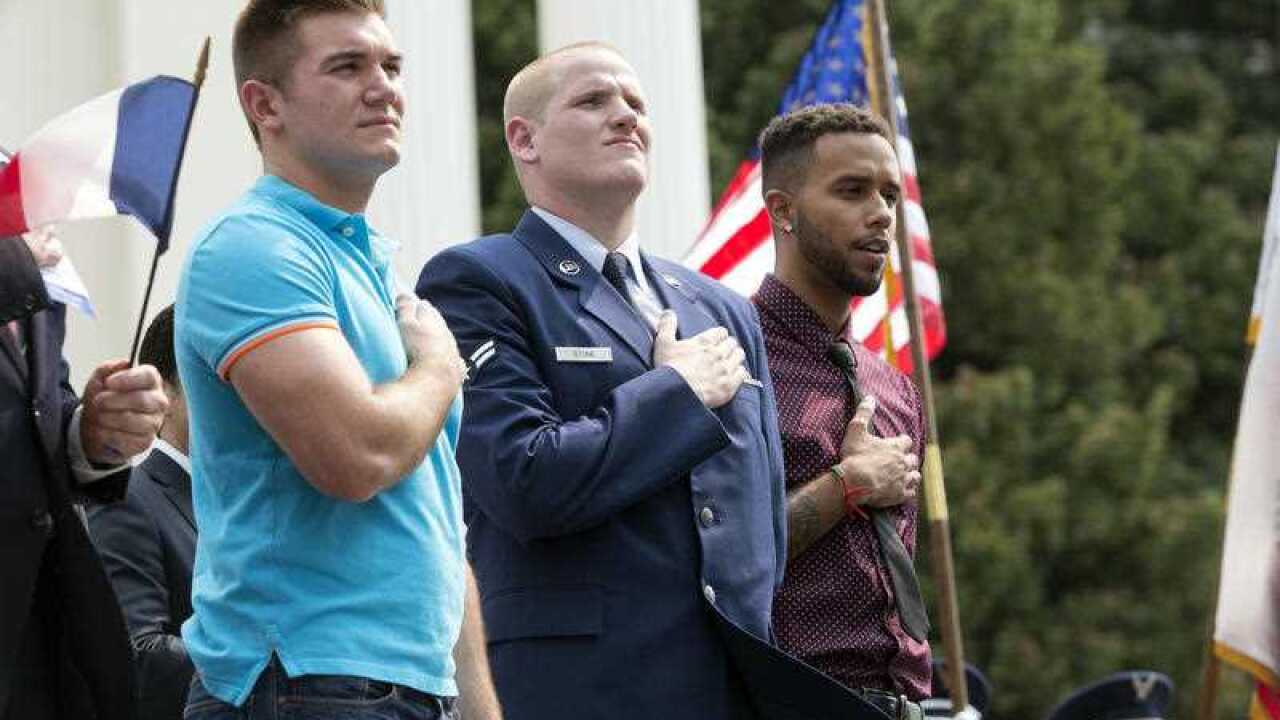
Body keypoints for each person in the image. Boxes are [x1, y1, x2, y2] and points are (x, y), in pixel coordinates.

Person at [418, 43, 879, 720]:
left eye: (636, 103)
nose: (625, 116)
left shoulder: (722, 308)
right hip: (577, 691)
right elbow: (524, 482)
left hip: (727, 691)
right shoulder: (479, 281)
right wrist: (677, 393)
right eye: (593, 101)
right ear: (524, 139)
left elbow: (759, 530)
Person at [175, 2, 500, 718]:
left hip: (399, 689)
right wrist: (440, 369)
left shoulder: (369, 265)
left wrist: (477, 708)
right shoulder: (253, 246)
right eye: (347, 67)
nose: (384, 87)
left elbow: (436, 523)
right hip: (306, 684)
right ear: (265, 105)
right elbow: (357, 457)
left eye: (391, 66)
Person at [752, 102, 932, 718]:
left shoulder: (896, 388)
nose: (881, 213)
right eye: (852, 191)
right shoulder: (730, 361)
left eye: (889, 194)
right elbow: (720, 558)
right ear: (783, 210)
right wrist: (847, 485)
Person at [0, 218, 169, 720]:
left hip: (36, 642)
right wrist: (12, 266)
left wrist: (92, 433)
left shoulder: (25, 224)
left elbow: (36, 407)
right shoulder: (20, 257)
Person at [88, 304, 195, 720]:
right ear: (164, 393)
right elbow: (138, 654)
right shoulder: (129, 497)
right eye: (212, 380)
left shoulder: (252, 502)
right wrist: (267, 663)